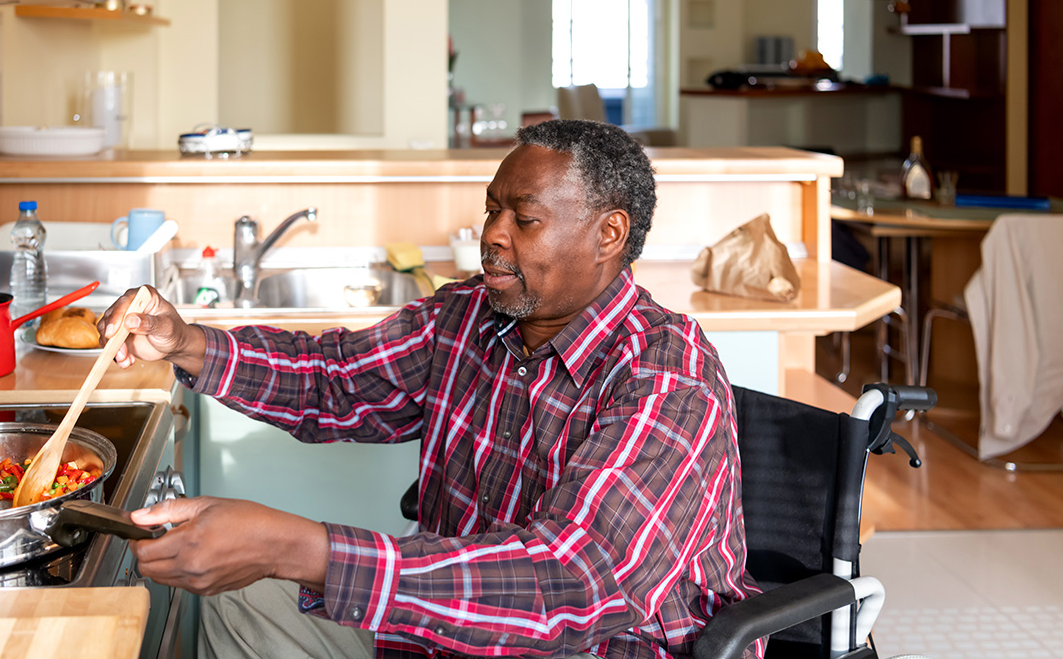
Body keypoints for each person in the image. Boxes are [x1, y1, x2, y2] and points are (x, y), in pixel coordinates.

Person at [99, 119, 762, 659]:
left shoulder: (665, 375)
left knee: (283, 567)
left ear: (607, 235)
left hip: (599, 648)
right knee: (244, 596)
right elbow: (336, 378)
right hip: (453, 634)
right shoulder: (469, 314)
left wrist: (302, 548)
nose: (492, 235)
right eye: (492, 210)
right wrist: (188, 343)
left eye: (523, 220)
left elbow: (571, 585)